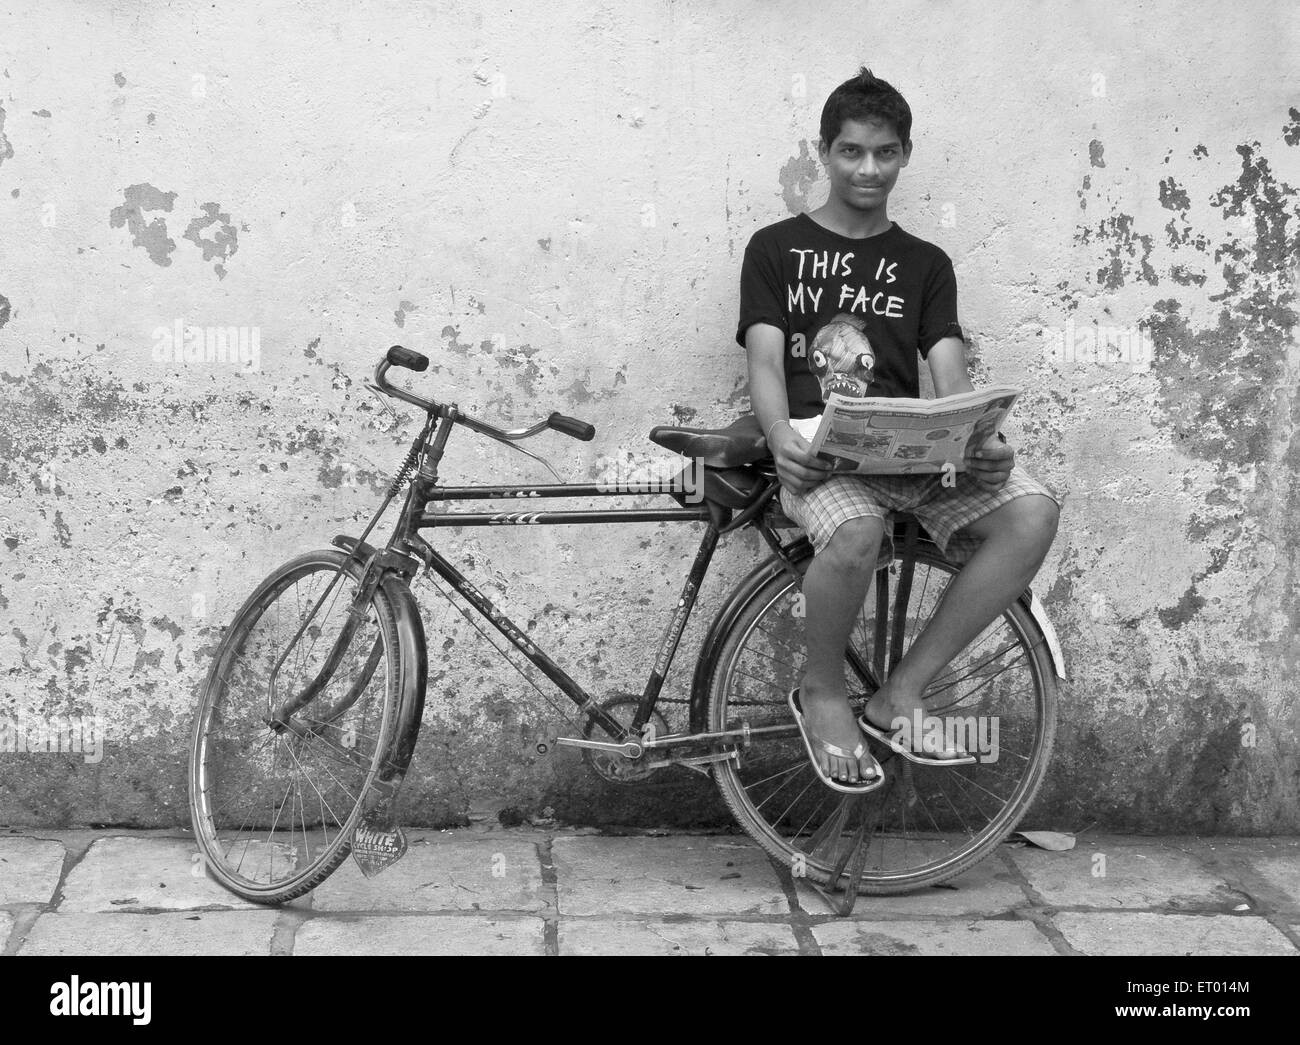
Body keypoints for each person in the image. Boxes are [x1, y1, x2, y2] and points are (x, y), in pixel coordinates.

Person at [736, 67, 1063, 791]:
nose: (868, 168)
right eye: (852, 151)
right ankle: (822, 692)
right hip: (820, 462)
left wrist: (981, 440)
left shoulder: (925, 263)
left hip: (909, 459)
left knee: (1033, 511)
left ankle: (900, 694)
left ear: (905, 154)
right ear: (825, 152)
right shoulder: (774, 248)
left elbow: (949, 374)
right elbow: (763, 360)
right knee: (855, 534)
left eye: (885, 152)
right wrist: (779, 435)